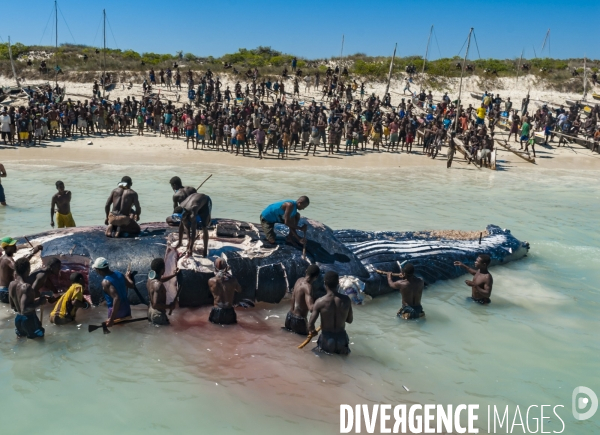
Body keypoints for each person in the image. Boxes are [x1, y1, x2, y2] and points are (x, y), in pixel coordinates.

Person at [308, 271, 352, 355]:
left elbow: (310, 325)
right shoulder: (346, 300)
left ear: (325, 283)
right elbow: (350, 320)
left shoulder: (320, 302)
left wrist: (313, 331)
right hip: (342, 340)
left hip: (327, 340)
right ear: (338, 283)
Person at [9, 258, 48, 339]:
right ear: (28, 270)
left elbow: (13, 306)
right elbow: (25, 309)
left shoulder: (11, 285)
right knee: (40, 341)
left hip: (18, 319)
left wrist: (35, 300)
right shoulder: (26, 287)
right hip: (29, 319)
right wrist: (40, 302)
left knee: (21, 341)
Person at [93, 257, 136, 326]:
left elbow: (117, 298)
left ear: (99, 270)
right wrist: (127, 277)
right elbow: (131, 285)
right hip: (126, 308)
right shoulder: (119, 274)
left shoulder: (106, 282)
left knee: (116, 333)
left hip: (116, 311)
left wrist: (112, 319)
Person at [0, 237, 42, 304]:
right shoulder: (8, 260)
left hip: (2, 291)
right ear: (5, 248)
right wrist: (33, 252)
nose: (15, 247)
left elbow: (20, 263)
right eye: (12, 246)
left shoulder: (2, 258)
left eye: (15, 245)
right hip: (6, 292)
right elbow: (19, 266)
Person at [284, 264, 320, 335]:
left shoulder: (299, 280)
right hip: (299, 320)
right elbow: (311, 308)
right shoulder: (308, 287)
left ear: (306, 271)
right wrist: (321, 302)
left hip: (289, 316)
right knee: (301, 342)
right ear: (316, 277)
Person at [175, 193, 212, 257]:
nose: (182, 219)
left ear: (185, 213)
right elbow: (184, 224)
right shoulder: (181, 205)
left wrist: (190, 248)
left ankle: (205, 249)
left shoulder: (192, 213)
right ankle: (181, 242)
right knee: (183, 221)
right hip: (193, 202)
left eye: (182, 217)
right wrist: (187, 240)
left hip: (205, 202)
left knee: (204, 226)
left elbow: (193, 231)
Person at [207, 258, 241, 324]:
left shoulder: (211, 281)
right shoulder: (233, 280)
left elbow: (211, 292)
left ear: (215, 268)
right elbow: (239, 290)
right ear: (226, 267)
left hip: (217, 311)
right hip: (229, 311)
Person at [146, 258, 179, 325]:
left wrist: (174, 275)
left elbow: (160, 279)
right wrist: (169, 306)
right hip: (157, 314)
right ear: (162, 270)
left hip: (150, 311)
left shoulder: (150, 280)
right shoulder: (158, 285)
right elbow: (155, 305)